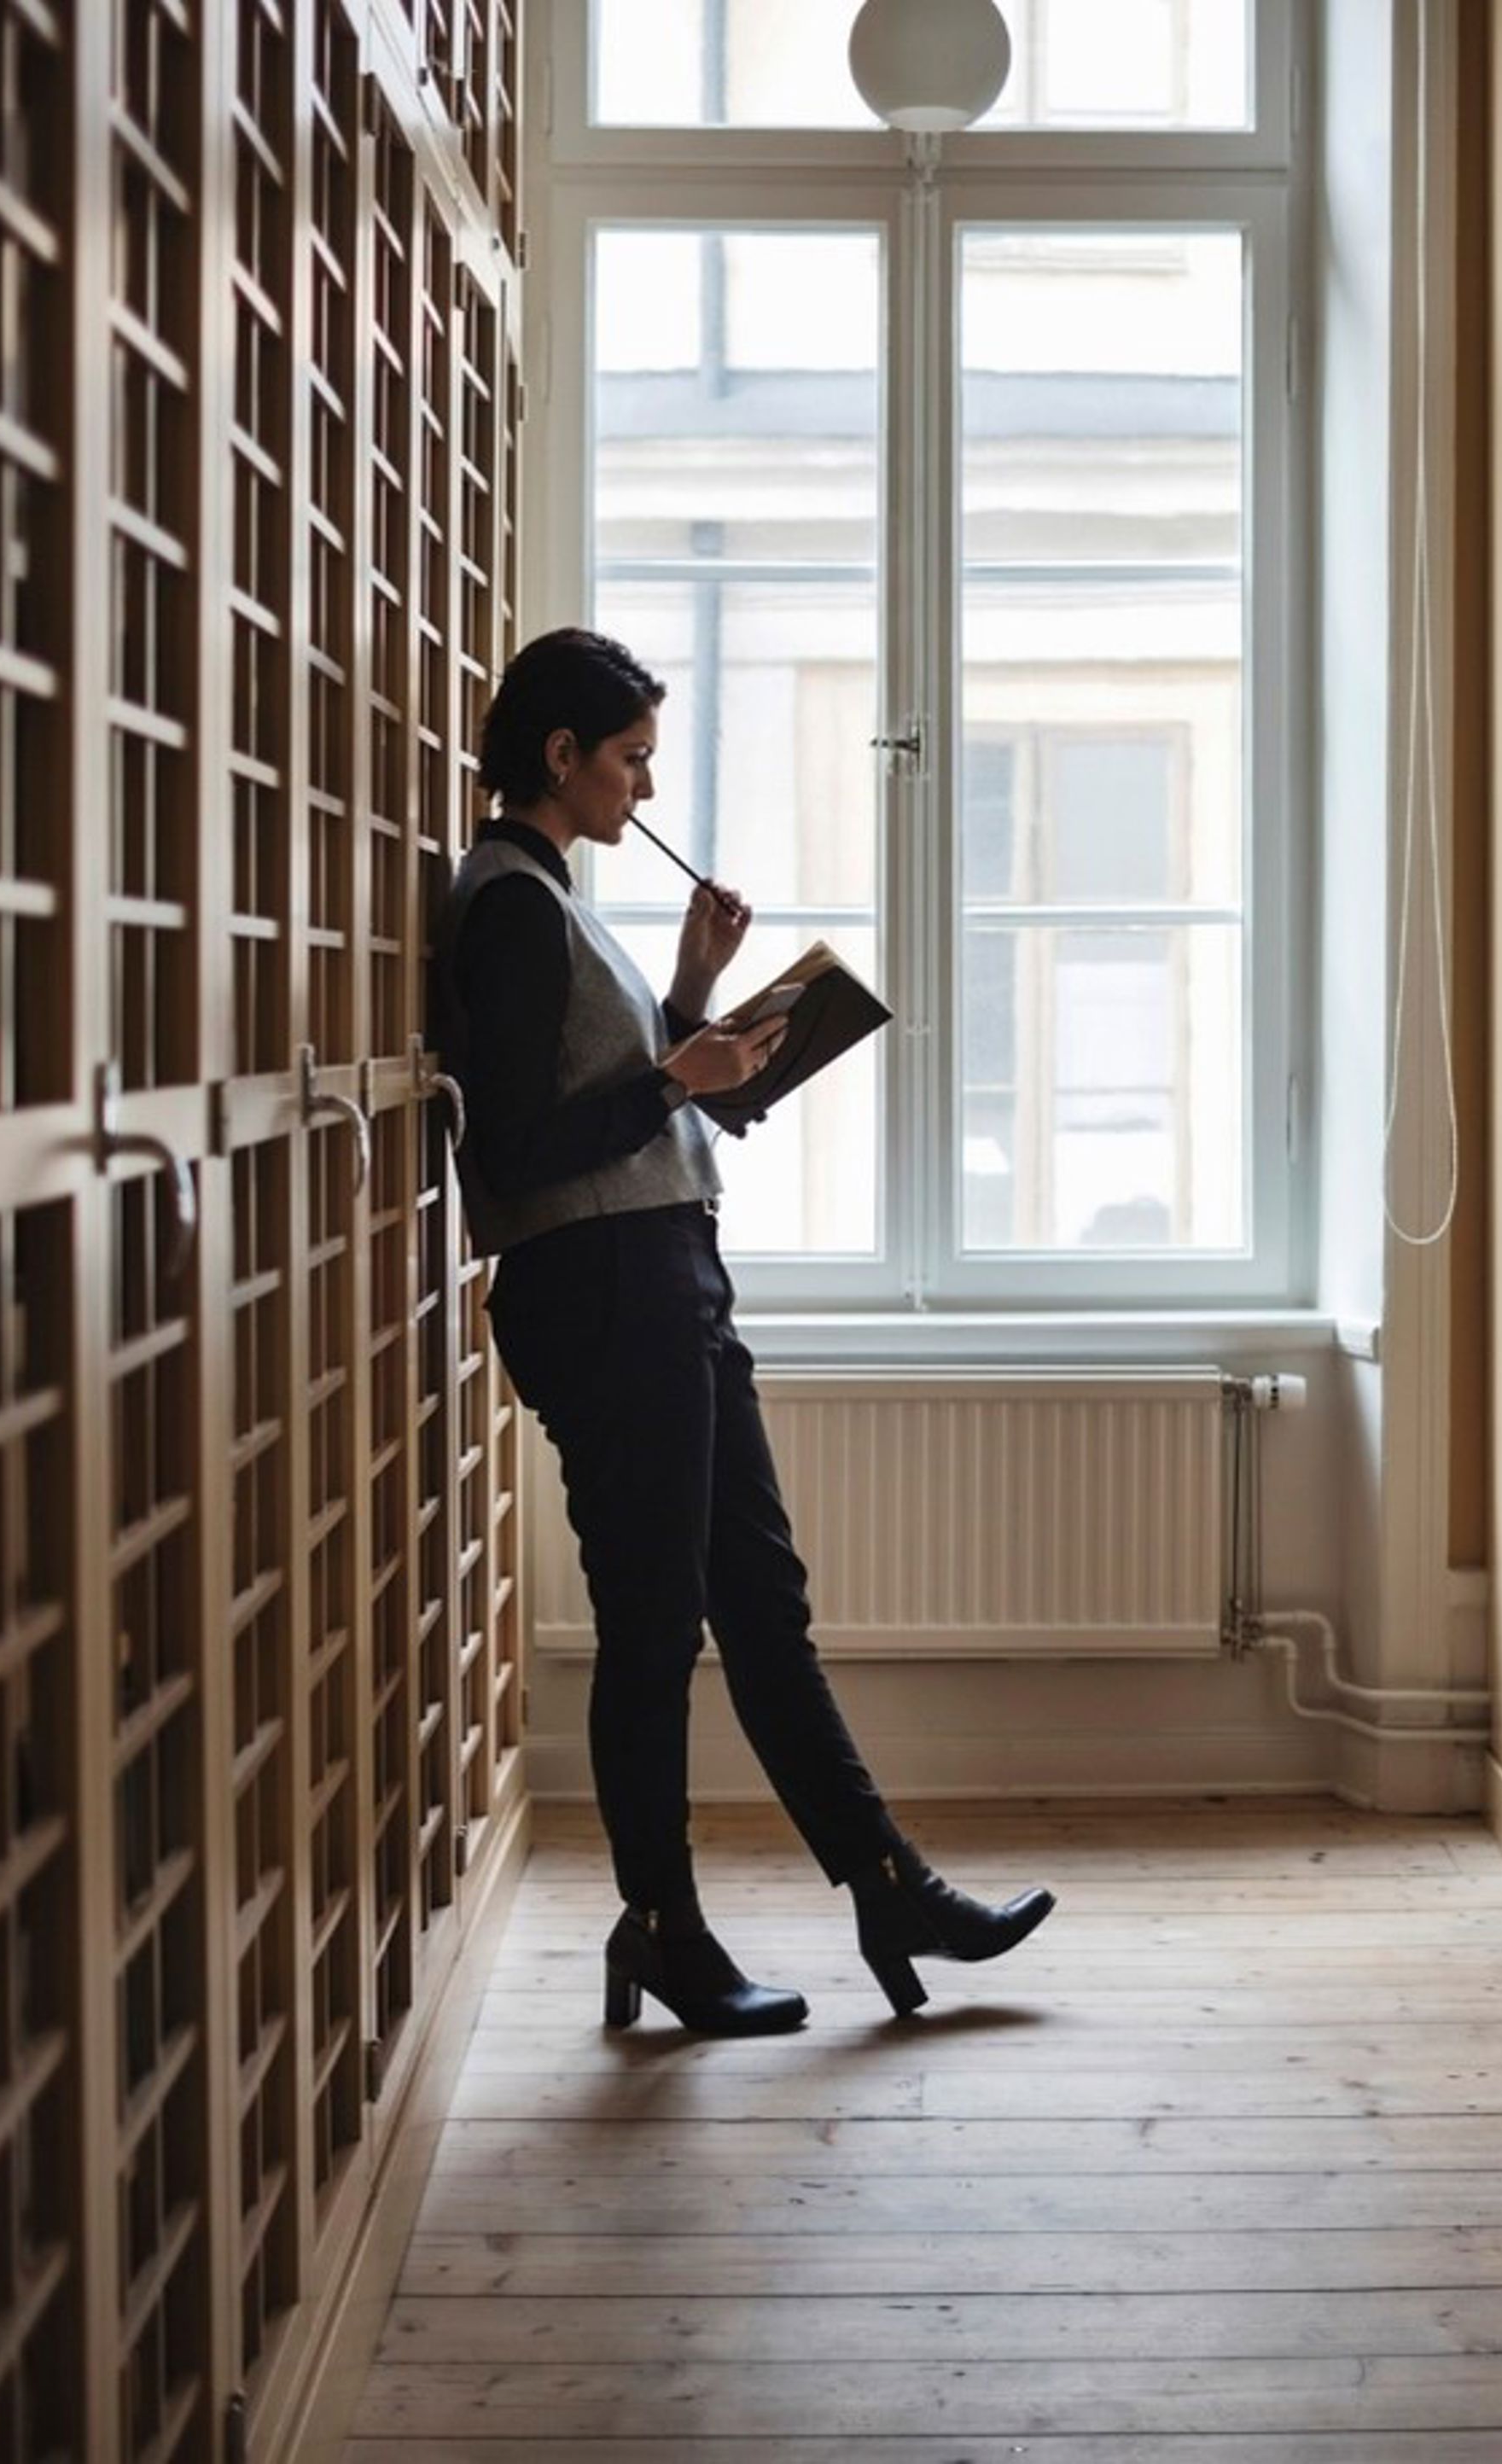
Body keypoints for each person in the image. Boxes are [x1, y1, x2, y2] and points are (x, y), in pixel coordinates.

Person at [434, 626, 1051, 2033]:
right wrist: (674, 1072)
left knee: (760, 1604)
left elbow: (627, 1094)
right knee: (655, 1628)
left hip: (665, 1279)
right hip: (603, 1295)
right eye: (632, 758)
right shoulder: (510, 904)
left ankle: (887, 1883)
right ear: (560, 755)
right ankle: (664, 1930)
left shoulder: (554, 896)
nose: (643, 791)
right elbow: (515, 1159)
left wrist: (697, 998)